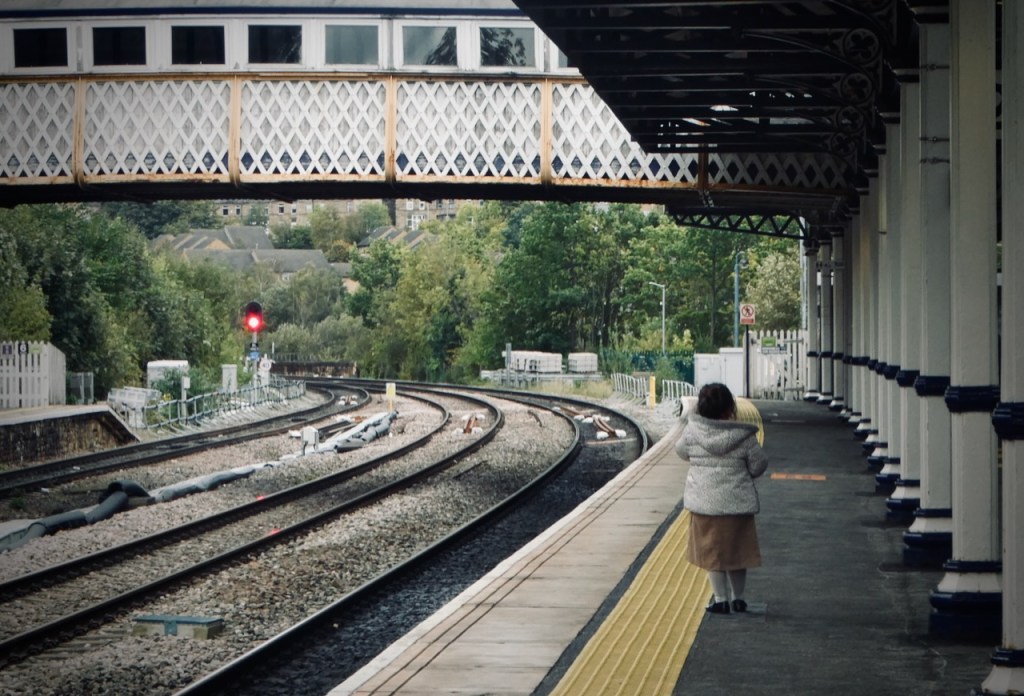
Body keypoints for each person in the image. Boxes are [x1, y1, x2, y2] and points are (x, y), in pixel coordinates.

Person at [676, 382, 768, 614]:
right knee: (737, 553)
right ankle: (739, 598)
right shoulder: (743, 437)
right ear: (730, 409)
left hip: (705, 506)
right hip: (737, 505)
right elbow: (759, 465)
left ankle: (720, 600)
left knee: (711, 555)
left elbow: (680, 451)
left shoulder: (692, 433)